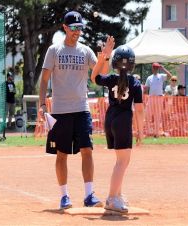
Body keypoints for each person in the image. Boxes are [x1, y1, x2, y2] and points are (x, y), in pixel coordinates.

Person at [38, 11, 111, 210]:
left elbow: (101, 74)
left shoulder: (86, 51)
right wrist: (42, 104)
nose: (77, 32)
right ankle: (64, 196)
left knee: (87, 150)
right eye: (73, 28)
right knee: (61, 154)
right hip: (60, 111)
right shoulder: (54, 50)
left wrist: (105, 56)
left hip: (81, 109)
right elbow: (44, 79)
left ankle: (89, 195)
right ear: (65, 27)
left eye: (80, 28)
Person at [91, 44, 144, 213]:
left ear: (114, 63)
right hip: (122, 121)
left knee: (121, 160)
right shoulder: (135, 83)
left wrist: (102, 58)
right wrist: (140, 130)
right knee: (123, 161)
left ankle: (118, 195)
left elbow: (94, 77)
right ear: (132, 64)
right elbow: (140, 110)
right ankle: (112, 198)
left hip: (111, 119)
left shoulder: (111, 79)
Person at [144, 63, 172, 137]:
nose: (155, 69)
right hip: (151, 97)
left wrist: (163, 68)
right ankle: (148, 132)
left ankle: (156, 133)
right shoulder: (149, 77)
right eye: (154, 68)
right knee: (147, 115)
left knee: (157, 116)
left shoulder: (161, 76)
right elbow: (146, 89)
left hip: (159, 97)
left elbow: (170, 76)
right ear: (152, 68)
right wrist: (145, 97)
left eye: (157, 68)